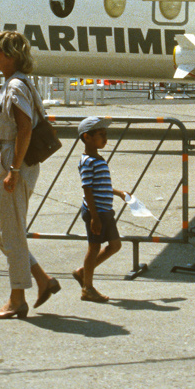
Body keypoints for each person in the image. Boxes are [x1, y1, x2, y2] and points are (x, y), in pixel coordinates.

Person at [0, 30, 59, 319]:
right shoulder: (13, 83)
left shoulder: (15, 86)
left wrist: (13, 170)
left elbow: (25, 128)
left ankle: (17, 299)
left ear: (11, 55)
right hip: (8, 157)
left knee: (12, 234)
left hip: (14, 159)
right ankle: (42, 279)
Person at [74, 116, 128, 303]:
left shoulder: (98, 159)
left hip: (105, 211)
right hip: (96, 212)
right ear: (87, 137)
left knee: (115, 245)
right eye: (100, 135)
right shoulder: (88, 161)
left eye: (105, 135)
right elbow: (87, 189)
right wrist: (94, 216)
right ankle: (87, 288)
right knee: (94, 247)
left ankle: (83, 272)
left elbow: (99, 185)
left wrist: (117, 192)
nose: (105, 139)